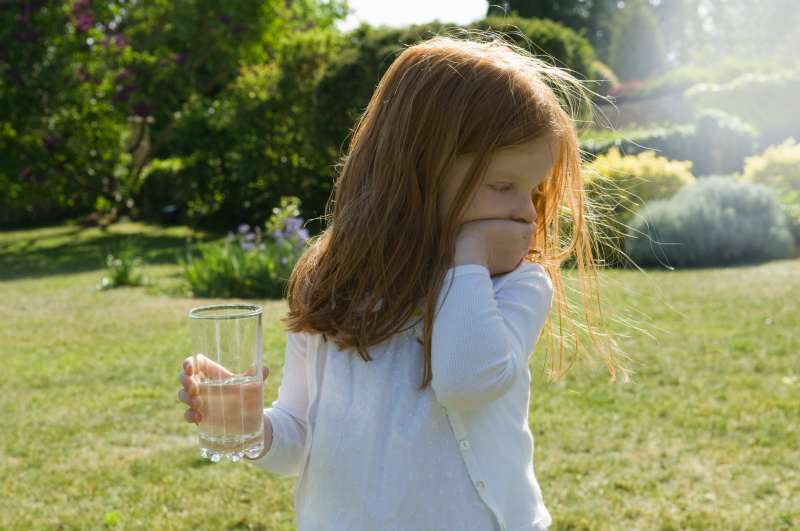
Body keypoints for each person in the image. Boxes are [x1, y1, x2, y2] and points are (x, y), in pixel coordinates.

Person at [179, 34, 626, 531]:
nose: (525, 212)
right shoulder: (330, 280)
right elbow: (300, 437)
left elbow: (465, 382)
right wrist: (249, 427)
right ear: (419, 169)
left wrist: (467, 253)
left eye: (533, 190)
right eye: (504, 186)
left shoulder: (516, 283)